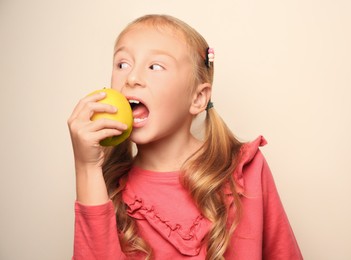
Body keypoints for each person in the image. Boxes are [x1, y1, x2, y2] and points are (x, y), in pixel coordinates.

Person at [68, 14, 303, 260]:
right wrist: (86, 168)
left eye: (154, 66)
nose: (132, 78)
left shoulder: (246, 170)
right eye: (122, 64)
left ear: (198, 98)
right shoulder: (105, 186)